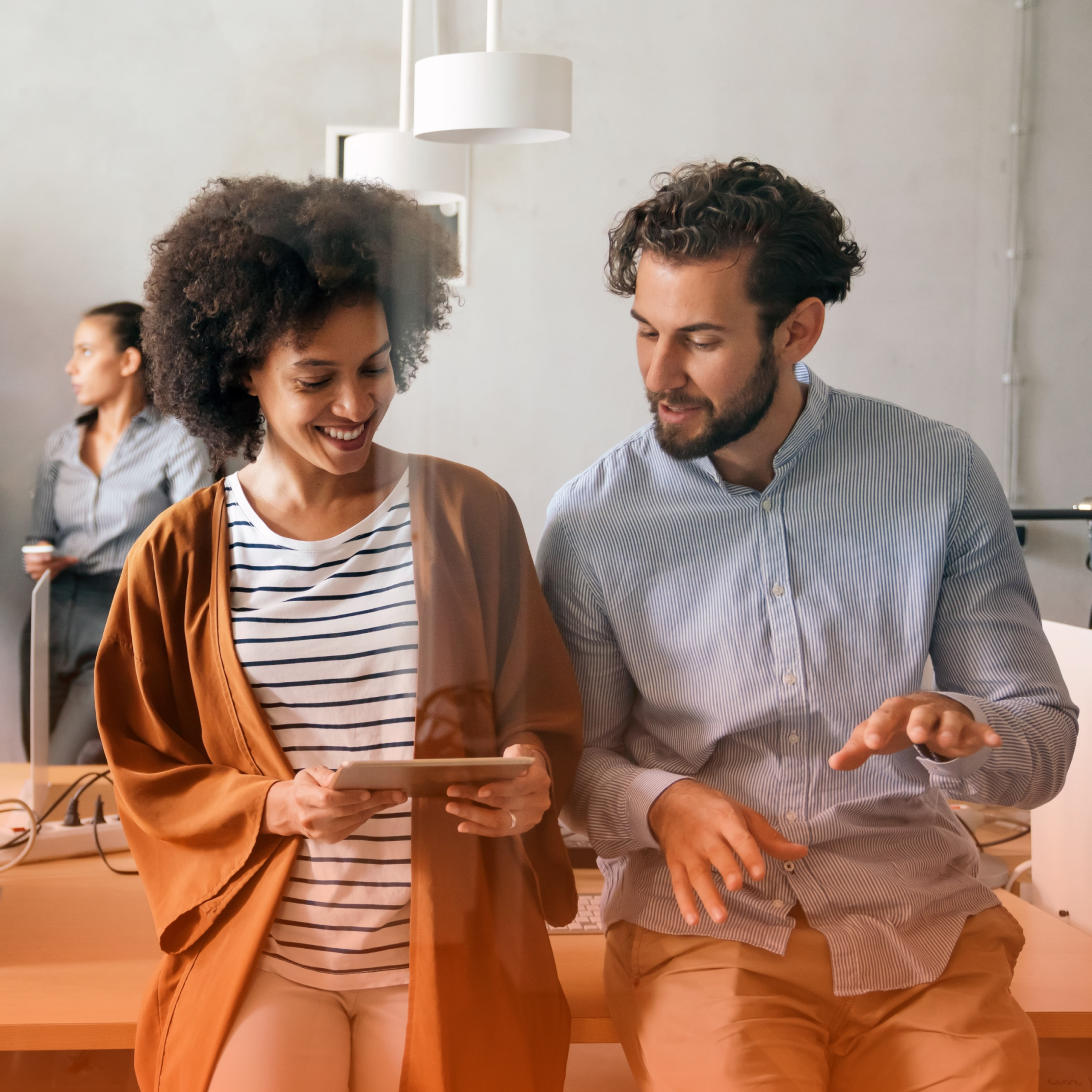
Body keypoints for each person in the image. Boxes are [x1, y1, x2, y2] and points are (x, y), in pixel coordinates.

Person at [538, 158, 1077, 1092]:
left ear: (798, 329)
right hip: (704, 930)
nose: (660, 373)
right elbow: (571, 764)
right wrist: (662, 803)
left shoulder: (939, 473)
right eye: (645, 333)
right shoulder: (591, 521)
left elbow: (1040, 738)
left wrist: (959, 732)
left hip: (922, 926)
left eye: (699, 340)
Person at [96, 176, 582, 1092]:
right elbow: (148, 767)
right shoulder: (179, 553)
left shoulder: (469, 514)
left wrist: (529, 778)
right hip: (270, 955)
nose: (355, 404)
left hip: (450, 948)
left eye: (376, 367)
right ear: (241, 369)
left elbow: (541, 717)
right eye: (316, 378)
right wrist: (274, 806)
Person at [21, 301, 212, 764]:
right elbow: (39, 532)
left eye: (85, 351)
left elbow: (195, 539)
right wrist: (39, 554)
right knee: (38, 768)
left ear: (129, 361)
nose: (71, 367)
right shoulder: (61, 443)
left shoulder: (179, 439)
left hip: (119, 609)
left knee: (62, 764)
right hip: (49, 608)